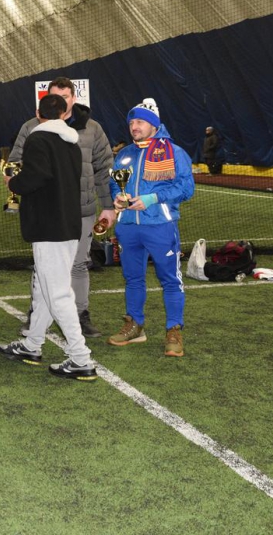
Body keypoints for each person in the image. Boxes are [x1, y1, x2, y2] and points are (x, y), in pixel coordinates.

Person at [0, 95, 98, 381]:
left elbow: (35, 177)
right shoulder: (71, 142)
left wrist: (13, 182)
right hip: (67, 224)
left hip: (48, 226)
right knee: (43, 288)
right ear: (64, 113)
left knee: (57, 293)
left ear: (37, 113)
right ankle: (32, 344)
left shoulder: (38, 138)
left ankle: (80, 358)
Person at [9, 77, 115, 338]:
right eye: (54, 97)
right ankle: (37, 316)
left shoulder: (92, 128)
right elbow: (15, 162)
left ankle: (80, 315)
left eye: (65, 97)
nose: (60, 102)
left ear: (73, 98)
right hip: (47, 212)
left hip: (82, 209)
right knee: (42, 267)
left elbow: (104, 169)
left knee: (79, 265)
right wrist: (15, 181)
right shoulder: (31, 127)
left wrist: (108, 206)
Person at [107, 98, 195, 356]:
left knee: (170, 280)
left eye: (140, 122)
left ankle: (174, 330)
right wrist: (117, 196)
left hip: (159, 225)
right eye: (131, 122)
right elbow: (114, 182)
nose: (134, 126)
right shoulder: (124, 154)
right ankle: (135, 325)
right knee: (133, 278)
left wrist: (152, 198)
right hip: (128, 226)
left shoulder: (174, 152)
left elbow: (186, 188)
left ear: (154, 125)